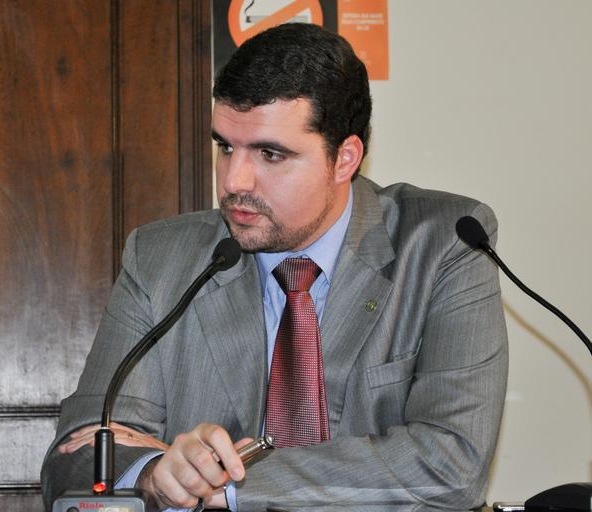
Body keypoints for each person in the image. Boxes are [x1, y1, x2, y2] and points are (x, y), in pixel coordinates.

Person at [41, 23, 508, 511]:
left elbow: (453, 464)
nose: (234, 181)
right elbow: (74, 456)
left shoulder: (443, 244)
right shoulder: (160, 259)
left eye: (270, 153)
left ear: (344, 159)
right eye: (225, 147)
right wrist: (156, 474)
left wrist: (228, 484)